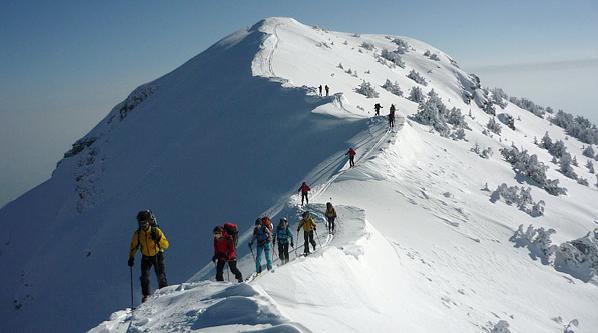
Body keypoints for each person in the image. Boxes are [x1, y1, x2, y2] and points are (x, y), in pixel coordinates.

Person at [128, 210, 169, 303]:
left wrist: (158, 239)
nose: (143, 225)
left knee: (160, 275)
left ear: (148, 221)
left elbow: (166, 245)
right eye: (141, 223)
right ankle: (146, 296)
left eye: (145, 222)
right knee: (144, 277)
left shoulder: (156, 231)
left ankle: (165, 294)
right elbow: (133, 247)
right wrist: (131, 257)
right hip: (146, 257)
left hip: (157, 255)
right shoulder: (138, 234)